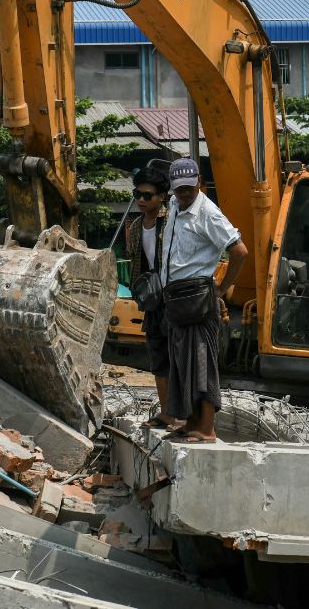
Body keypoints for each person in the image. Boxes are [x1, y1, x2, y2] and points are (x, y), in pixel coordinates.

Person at [160, 158, 247, 444]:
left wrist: (222, 288)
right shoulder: (175, 206)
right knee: (182, 363)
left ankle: (206, 428)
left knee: (202, 364)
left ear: (199, 182)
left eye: (188, 188)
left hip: (198, 298)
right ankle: (191, 423)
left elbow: (239, 251)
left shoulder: (207, 213)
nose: (184, 194)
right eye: (179, 189)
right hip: (177, 299)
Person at [126, 166, 179, 431]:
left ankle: (179, 413)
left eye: (147, 195)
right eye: (138, 194)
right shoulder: (135, 227)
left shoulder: (171, 223)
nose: (141, 200)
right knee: (157, 356)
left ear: (161, 197)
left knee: (177, 356)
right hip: (151, 301)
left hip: (173, 298)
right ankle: (166, 412)